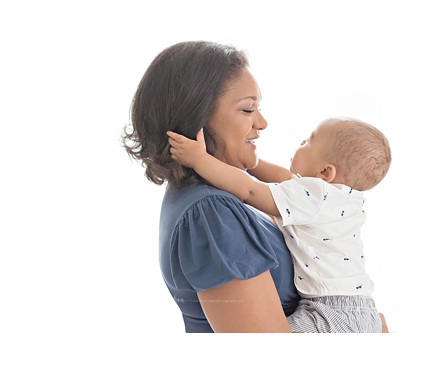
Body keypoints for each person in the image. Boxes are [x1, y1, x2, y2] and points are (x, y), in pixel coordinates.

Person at [123, 40, 387, 333]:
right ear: (197, 117)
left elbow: (270, 180)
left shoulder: (210, 201)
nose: (262, 122)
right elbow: (264, 357)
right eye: (248, 109)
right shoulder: (210, 214)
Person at [167, 118, 392, 332]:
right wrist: (253, 163)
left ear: (325, 172)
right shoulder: (339, 199)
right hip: (365, 309)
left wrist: (200, 160)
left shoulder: (316, 197)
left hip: (331, 311)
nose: (302, 143)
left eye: (310, 141)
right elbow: (285, 179)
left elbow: (251, 190)